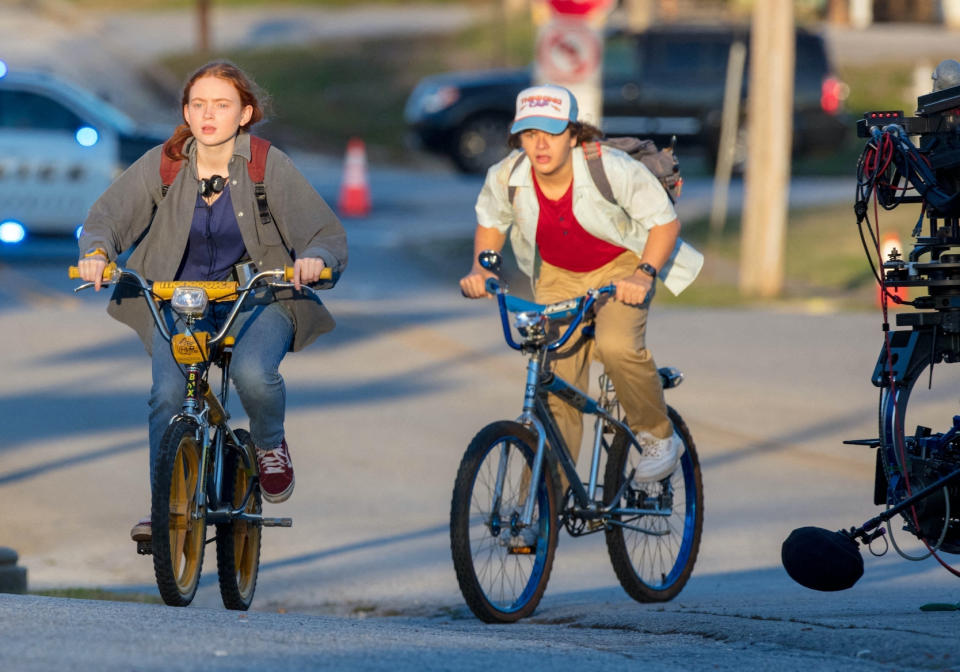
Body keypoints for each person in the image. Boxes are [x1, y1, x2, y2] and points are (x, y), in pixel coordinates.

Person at [76, 61, 348, 542]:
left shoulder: (268, 165)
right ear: (185, 110)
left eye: (221, 105)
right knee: (166, 397)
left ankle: (267, 444)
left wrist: (314, 259)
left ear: (244, 114)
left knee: (251, 375)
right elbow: (107, 218)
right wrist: (97, 252)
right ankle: (165, 509)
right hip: (177, 301)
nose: (208, 114)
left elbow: (323, 234)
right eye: (198, 104)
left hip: (257, 297)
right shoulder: (166, 162)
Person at [460, 84, 702, 483]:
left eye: (552, 134)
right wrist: (481, 269)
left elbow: (664, 223)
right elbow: (490, 222)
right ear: (519, 138)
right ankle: (538, 515)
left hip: (622, 265)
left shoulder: (609, 167)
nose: (540, 145)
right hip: (557, 275)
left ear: (573, 134)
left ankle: (660, 437)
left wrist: (642, 275)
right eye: (530, 134)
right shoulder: (507, 175)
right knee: (554, 389)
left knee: (615, 345)